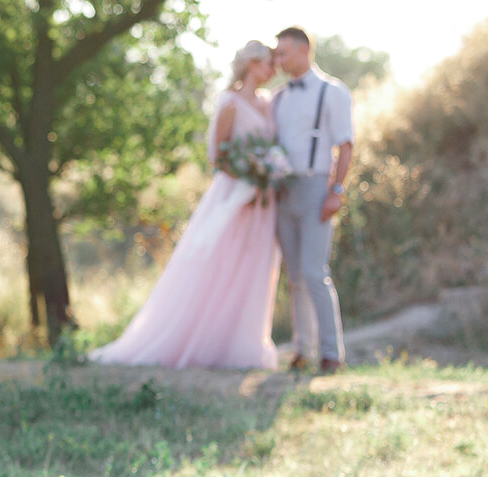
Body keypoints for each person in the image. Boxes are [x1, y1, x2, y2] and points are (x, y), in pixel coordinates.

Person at [88, 40, 284, 370]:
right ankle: (199, 341)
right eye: (268, 63)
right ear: (252, 64)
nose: (273, 69)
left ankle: (243, 345)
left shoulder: (268, 103)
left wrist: (266, 176)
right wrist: (248, 177)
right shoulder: (230, 103)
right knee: (218, 264)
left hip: (262, 202)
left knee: (253, 268)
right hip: (234, 195)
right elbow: (217, 155)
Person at [271, 26, 353, 374]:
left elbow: (345, 145)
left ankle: (332, 354)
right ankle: (302, 350)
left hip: (316, 187)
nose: (278, 60)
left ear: (303, 50)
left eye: (283, 53)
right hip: (282, 191)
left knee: (313, 272)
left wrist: (336, 191)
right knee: (294, 277)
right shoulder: (279, 97)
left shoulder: (332, 91)